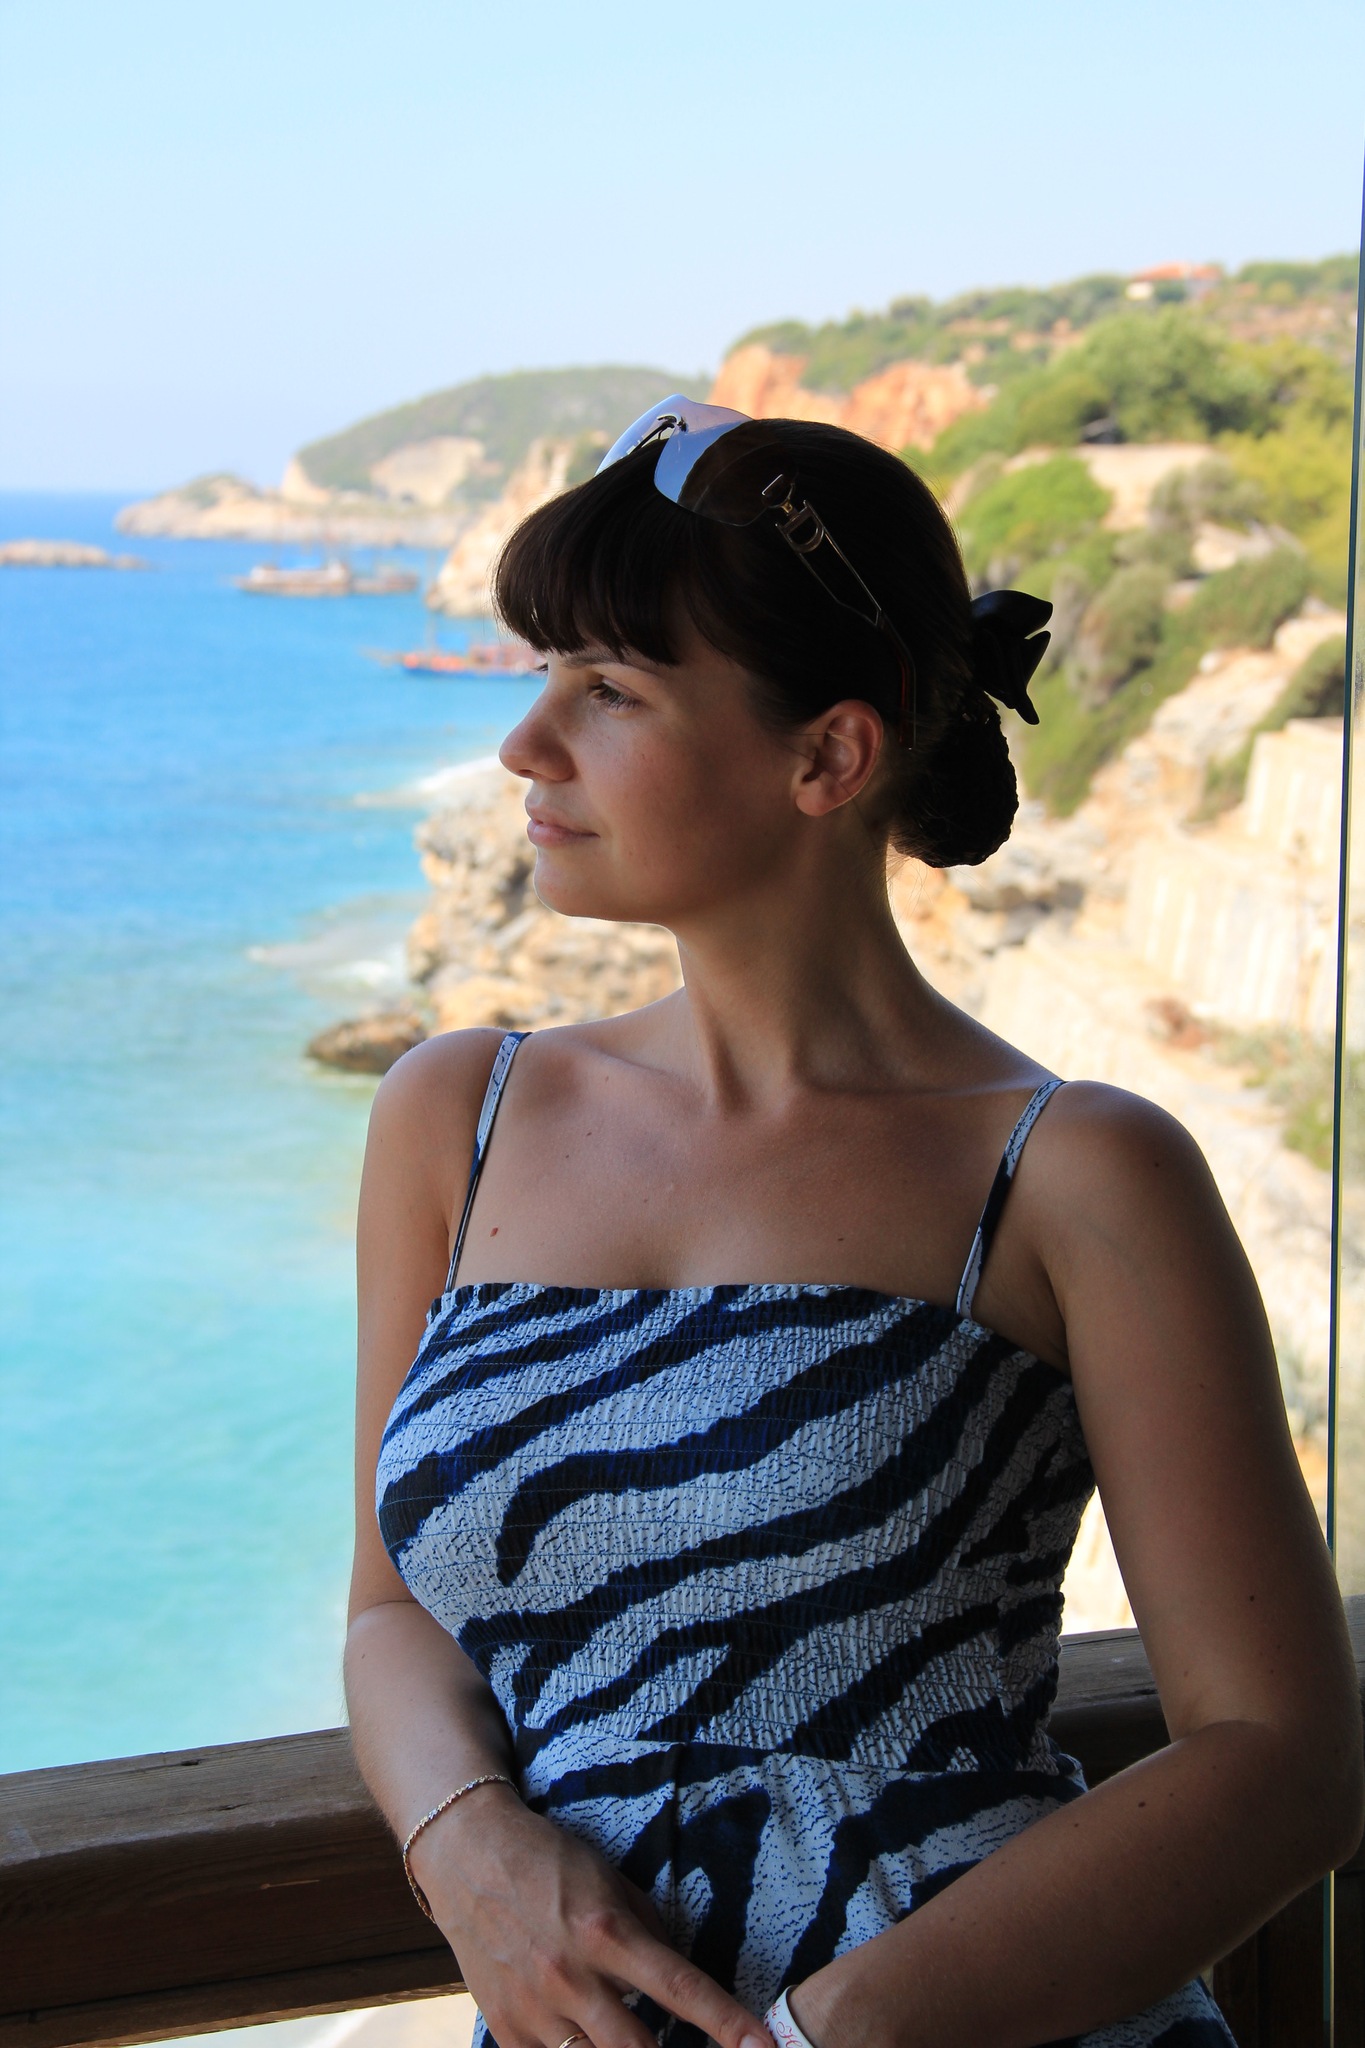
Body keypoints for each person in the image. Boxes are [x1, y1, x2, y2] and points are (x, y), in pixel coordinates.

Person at [345, 399, 1362, 2048]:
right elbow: (391, 1609)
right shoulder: (453, 1118)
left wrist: (837, 2031)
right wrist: (465, 1849)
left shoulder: (1070, 1173)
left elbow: (1282, 1763)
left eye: (608, 690)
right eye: (543, 674)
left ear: (826, 756)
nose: (526, 745)